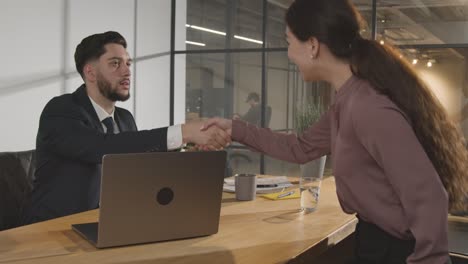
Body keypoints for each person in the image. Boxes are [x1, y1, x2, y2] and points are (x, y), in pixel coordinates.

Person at [202, 0, 468, 263]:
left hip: (396, 250)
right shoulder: (348, 100)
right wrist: (234, 128)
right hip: (373, 238)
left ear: (313, 46)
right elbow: (300, 148)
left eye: (289, 42)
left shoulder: (367, 107)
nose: (289, 53)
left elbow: (429, 197)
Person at [22, 31, 230, 224]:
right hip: (55, 229)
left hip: (110, 223)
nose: (127, 72)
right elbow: (101, 148)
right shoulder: (61, 110)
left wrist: (189, 149)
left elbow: (140, 167)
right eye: (115, 64)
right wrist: (183, 131)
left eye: (128, 64)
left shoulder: (124, 118)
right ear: (90, 73)